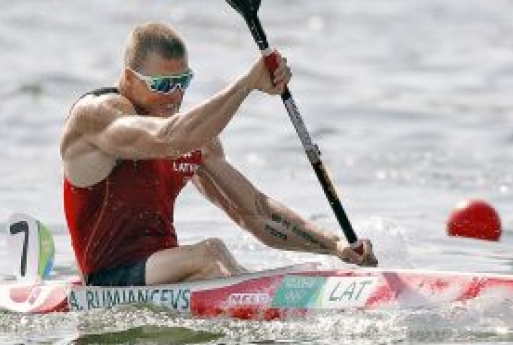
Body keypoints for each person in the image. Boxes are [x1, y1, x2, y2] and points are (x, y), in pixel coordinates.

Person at [60, 22, 376, 286]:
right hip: (105, 280)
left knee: (222, 262)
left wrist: (335, 246)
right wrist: (247, 83)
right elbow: (169, 139)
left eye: (182, 81)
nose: (175, 95)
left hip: (164, 274)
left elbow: (254, 212)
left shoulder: (197, 137)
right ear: (129, 79)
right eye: (163, 84)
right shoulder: (97, 116)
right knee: (212, 253)